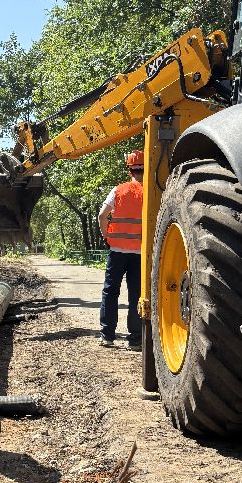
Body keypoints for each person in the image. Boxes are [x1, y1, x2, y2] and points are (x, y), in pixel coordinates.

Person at [97, 149, 144, 350]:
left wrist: (106, 236)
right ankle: (135, 340)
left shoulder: (119, 190)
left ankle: (107, 336)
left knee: (110, 292)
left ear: (130, 170)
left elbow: (102, 215)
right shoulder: (153, 191)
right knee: (136, 295)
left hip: (116, 251)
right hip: (141, 253)